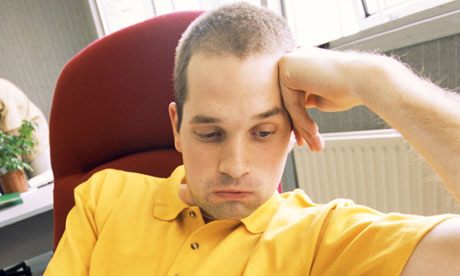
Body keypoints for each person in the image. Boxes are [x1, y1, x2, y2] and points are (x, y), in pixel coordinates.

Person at [45, 3, 460, 275]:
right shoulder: (103, 198)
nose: (235, 165)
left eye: (263, 132)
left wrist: (377, 80)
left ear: (295, 129)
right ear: (176, 127)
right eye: (210, 133)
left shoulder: (320, 238)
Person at [0, 78, 51, 177]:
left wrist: (13, 170)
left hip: (32, 135)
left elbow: (13, 134)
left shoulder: (2, 91)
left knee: (43, 180)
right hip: (9, 141)